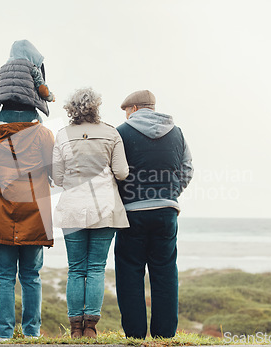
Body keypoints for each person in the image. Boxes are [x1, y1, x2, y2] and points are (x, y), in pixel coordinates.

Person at [115, 90, 193, 339]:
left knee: (129, 273)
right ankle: (164, 335)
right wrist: (171, 192)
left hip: (132, 213)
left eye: (127, 111)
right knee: (165, 272)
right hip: (166, 211)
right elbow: (188, 169)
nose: (126, 116)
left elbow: (114, 172)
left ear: (134, 109)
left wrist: (124, 196)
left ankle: (135, 336)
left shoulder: (122, 132)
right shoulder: (177, 132)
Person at [52, 88, 129, 338]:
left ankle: (75, 328)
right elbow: (122, 172)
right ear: (96, 106)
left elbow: (58, 177)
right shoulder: (111, 133)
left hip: (72, 206)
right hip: (104, 207)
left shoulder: (62, 135)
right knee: (96, 267)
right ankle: (91, 329)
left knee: (75, 268)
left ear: (70, 108)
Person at [0, 96, 54, 340]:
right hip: (33, 212)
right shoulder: (43, 134)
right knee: (32, 276)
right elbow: (54, 170)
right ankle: (32, 333)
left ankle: (4, 333)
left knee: (3, 276)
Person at [0, 39, 55, 123]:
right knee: (39, 131)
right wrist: (51, 97)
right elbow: (42, 89)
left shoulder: (2, 70)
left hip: (6, 112)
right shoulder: (32, 68)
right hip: (28, 113)